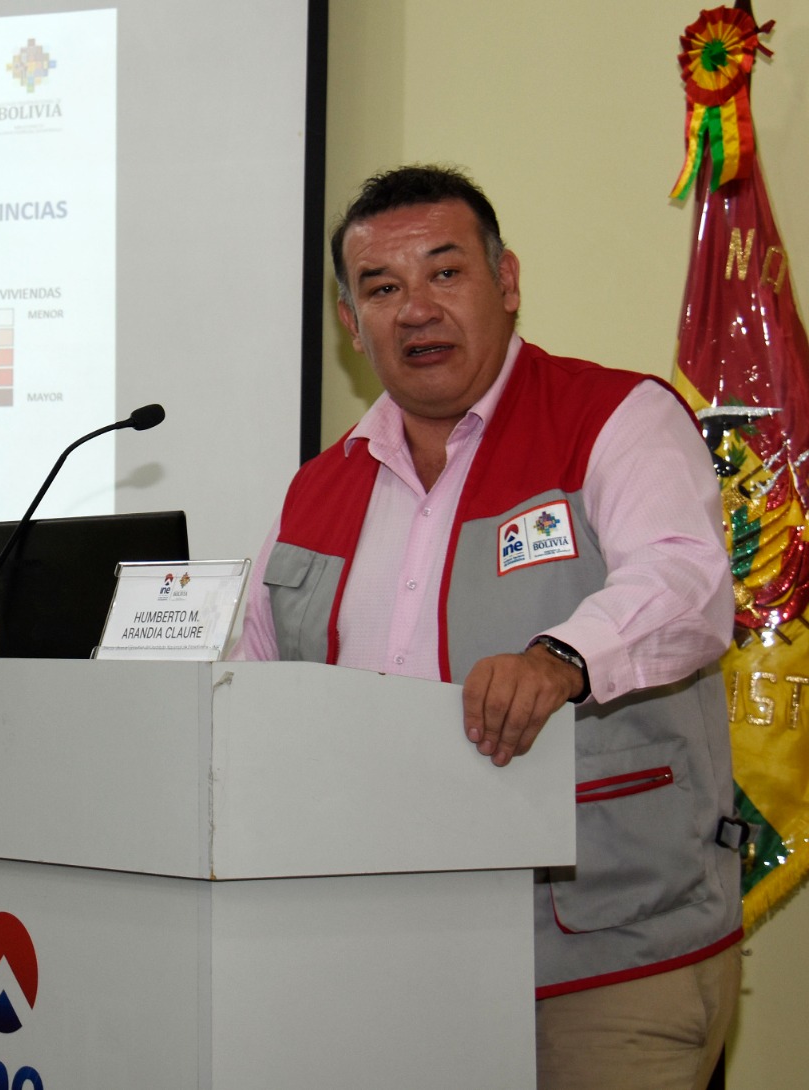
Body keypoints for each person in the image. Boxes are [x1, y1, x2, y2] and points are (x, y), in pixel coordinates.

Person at [233, 165, 743, 1090]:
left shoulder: (613, 418)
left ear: (507, 283)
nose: (415, 310)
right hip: (389, 964)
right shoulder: (316, 488)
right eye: (381, 289)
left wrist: (561, 658)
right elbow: (251, 692)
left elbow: (688, 579)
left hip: (603, 961)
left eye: (445, 273)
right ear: (351, 325)